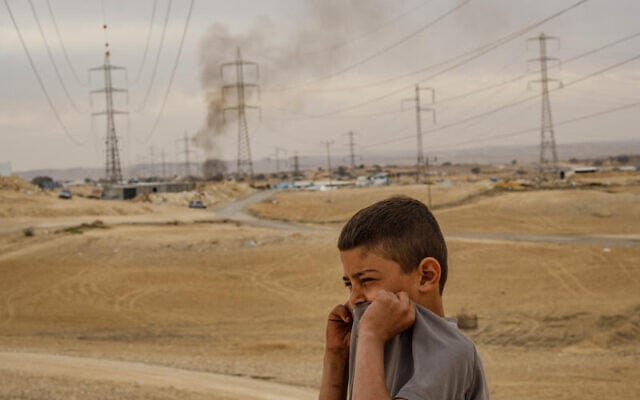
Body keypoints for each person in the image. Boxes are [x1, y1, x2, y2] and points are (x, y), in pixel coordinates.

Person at [319, 196, 489, 400]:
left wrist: (370, 336)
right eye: (349, 284)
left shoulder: (450, 353)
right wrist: (337, 354)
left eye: (367, 280)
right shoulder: (378, 339)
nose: (354, 298)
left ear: (426, 276)